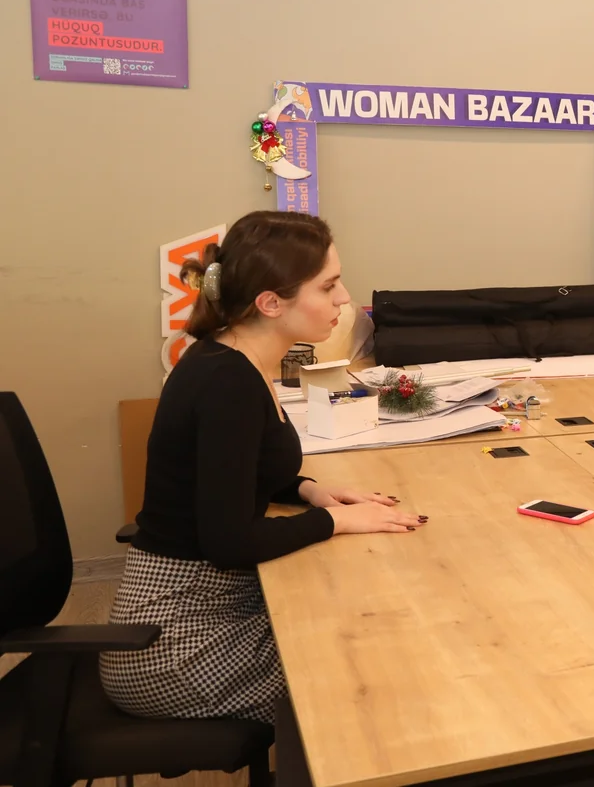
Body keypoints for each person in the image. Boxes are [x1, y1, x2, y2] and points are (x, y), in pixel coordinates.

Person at [100, 211, 425, 725]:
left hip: (203, 608)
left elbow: (238, 472)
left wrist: (309, 491)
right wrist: (334, 521)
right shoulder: (228, 384)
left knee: (366, 623)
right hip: (173, 647)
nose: (344, 299)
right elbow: (229, 542)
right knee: (372, 671)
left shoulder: (233, 360)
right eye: (329, 286)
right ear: (271, 303)